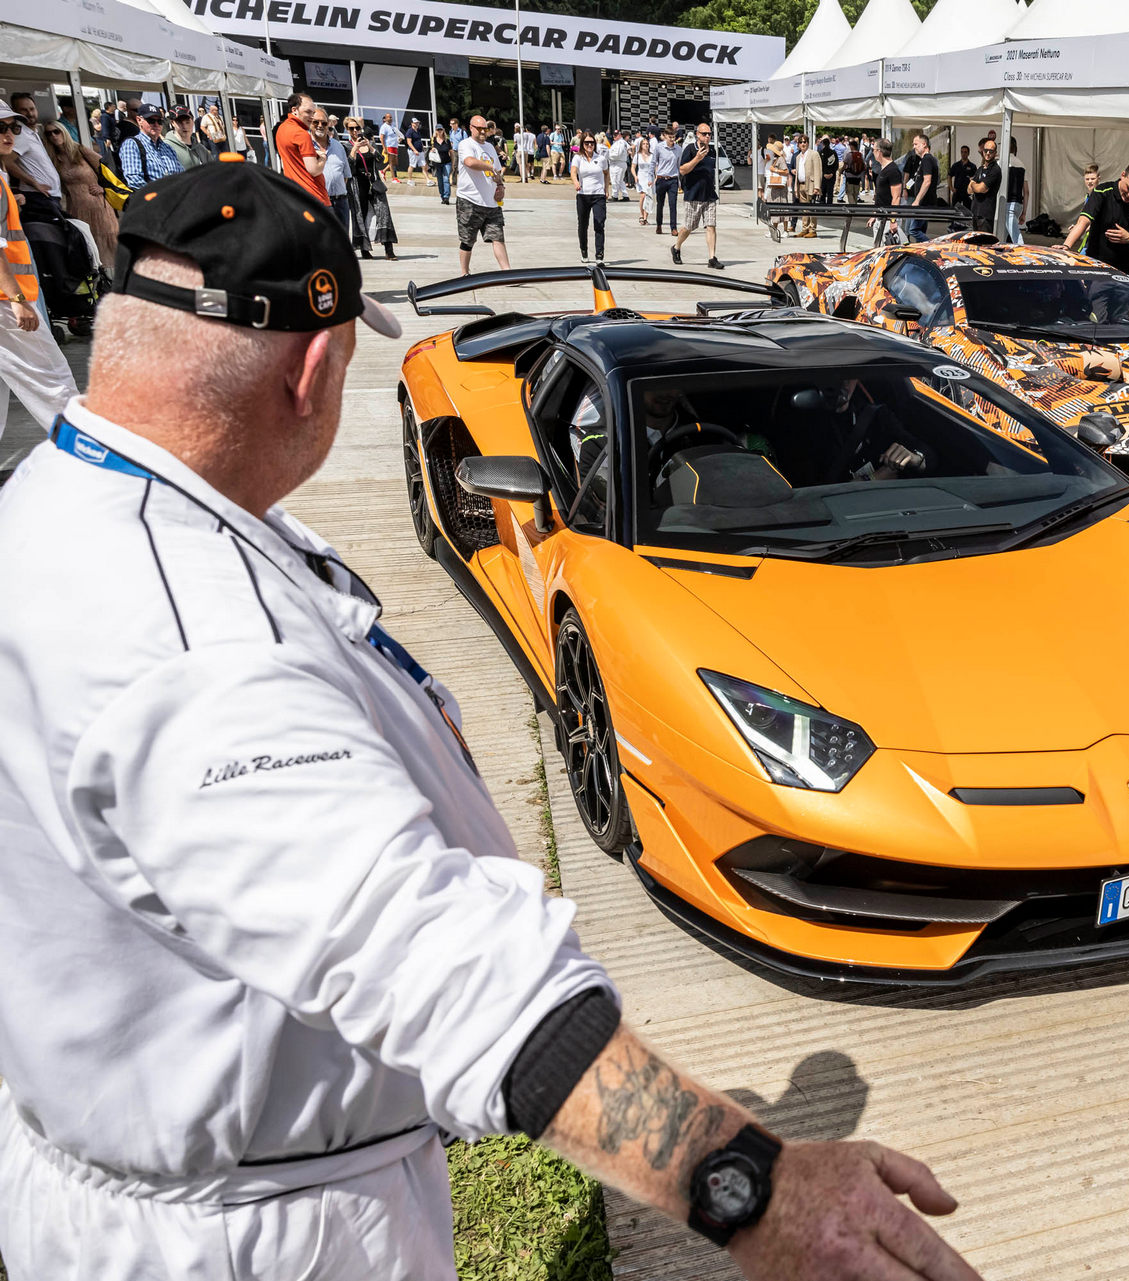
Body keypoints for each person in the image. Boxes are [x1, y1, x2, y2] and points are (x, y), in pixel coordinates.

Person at [0, 157, 982, 1281]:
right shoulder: (196, 647)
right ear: (311, 369)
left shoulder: (52, 507)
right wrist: (753, 1190)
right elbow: (432, 959)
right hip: (259, 1236)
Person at [0, 107, 79, 429]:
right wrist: (19, 302)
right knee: (53, 382)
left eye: (12, 129)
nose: (8, 135)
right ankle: (88, 455)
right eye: (0, 129)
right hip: (7, 304)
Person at [1063, 159, 1129, 279]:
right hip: (1096, 268)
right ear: (1123, 175)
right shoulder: (1102, 192)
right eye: (1128, 188)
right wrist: (1066, 247)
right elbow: (1083, 221)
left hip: (1125, 272)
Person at [40, 122, 117, 265]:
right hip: (76, 209)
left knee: (108, 247)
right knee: (87, 247)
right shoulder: (54, 159)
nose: (53, 136)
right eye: (49, 134)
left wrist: (104, 188)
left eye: (56, 131)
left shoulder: (79, 150)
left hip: (98, 206)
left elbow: (107, 167)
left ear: (64, 131)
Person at [455, 114, 509, 275]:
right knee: (467, 240)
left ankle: (507, 273)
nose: (483, 132)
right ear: (471, 128)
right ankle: (465, 273)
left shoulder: (490, 147)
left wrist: (500, 185)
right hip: (469, 200)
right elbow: (470, 162)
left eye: (485, 129)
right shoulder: (466, 144)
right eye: (479, 129)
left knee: (498, 237)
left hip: (491, 202)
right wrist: (488, 167)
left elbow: (497, 170)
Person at [673, 123, 722, 271]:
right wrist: (697, 159)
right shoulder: (690, 149)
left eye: (709, 134)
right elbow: (682, 170)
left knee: (711, 226)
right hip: (693, 195)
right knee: (688, 227)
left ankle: (712, 258)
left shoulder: (712, 150)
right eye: (704, 134)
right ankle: (676, 247)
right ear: (697, 134)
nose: (707, 136)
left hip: (709, 194)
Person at [347, 121, 398, 262]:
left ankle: (389, 250)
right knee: (361, 216)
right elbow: (348, 166)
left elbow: (381, 161)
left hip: (374, 183)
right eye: (352, 128)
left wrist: (369, 146)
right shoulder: (346, 146)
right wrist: (355, 148)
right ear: (348, 130)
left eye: (357, 127)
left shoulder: (370, 144)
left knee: (384, 214)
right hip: (358, 185)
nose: (355, 130)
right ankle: (364, 250)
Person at [7, 94, 64, 208]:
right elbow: (7, 161)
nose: (30, 114)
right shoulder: (20, 135)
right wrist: (34, 183)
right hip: (38, 196)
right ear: (15, 111)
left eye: (32, 109)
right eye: (24, 110)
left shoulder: (31, 132)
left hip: (47, 196)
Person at [274, 92, 328, 206]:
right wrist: (323, 158)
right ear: (294, 110)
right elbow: (314, 170)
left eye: (313, 112)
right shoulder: (301, 134)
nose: (312, 117)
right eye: (308, 112)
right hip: (314, 198)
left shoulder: (282, 129)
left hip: (296, 196)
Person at [119, 105, 182, 191]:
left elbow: (182, 176)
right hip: (152, 201)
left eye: (159, 121)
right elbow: (134, 180)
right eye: (151, 120)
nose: (156, 124)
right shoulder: (132, 144)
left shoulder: (168, 148)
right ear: (139, 120)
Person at [571, 133, 608, 264]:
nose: (590, 145)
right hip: (583, 195)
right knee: (583, 224)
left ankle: (599, 255)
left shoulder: (601, 159)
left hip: (598, 195)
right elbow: (573, 172)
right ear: (582, 145)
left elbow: (606, 173)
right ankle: (584, 251)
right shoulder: (578, 158)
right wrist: (576, 182)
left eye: (592, 142)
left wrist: (606, 190)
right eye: (586, 143)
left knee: (599, 223)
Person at [902, 132, 937, 243]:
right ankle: (923, 250)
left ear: (924, 144)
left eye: (916, 144)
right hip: (924, 201)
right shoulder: (924, 160)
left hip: (924, 202)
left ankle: (931, 246)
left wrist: (917, 200)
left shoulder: (927, 159)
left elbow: (927, 181)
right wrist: (906, 188)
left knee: (914, 230)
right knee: (920, 229)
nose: (914, 147)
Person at [868, 137, 901, 246]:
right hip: (880, 217)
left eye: (873, 150)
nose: (873, 152)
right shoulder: (883, 169)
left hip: (888, 220)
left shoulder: (893, 170)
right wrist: (874, 214)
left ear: (879, 152)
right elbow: (881, 195)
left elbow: (896, 197)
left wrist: (893, 220)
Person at [321, 117, 352, 230]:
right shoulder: (308, 146)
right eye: (316, 123)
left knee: (343, 240)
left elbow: (345, 175)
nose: (322, 127)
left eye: (329, 127)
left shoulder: (338, 146)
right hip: (322, 201)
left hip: (341, 201)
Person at [967, 136, 1001, 236]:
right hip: (975, 213)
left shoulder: (995, 169)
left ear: (995, 153)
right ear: (982, 151)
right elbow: (969, 190)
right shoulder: (980, 169)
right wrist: (975, 186)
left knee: (985, 246)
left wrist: (973, 183)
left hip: (986, 215)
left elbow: (981, 189)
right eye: (986, 150)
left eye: (991, 151)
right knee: (975, 245)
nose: (988, 153)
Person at [653, 128, 681, 235]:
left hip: (673, 179)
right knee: (660, 204)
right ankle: (659, 225)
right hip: (661, 178)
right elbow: (653, 162)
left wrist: (679, 182)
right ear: (665, 136)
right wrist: (653, 177)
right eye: (670, 137)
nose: (672, 139)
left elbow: (679, 166)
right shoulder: (659, 147)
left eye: (674, 137)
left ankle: (673, 228)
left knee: (673, 204)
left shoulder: (678, 149)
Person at [795, 135, 821, 239]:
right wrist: (796, 187)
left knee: (812, 208)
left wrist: (817, 187)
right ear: (798, 144)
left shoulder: (813, 154)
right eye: (800, 142)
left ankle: (812, 230)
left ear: (808, 143)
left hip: (811, 184)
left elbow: (818, 171)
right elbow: (797, 172)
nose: (803, 144)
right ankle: (804, 228)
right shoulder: (797, 157)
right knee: (804, 209)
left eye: (804, 142)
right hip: (801, 184)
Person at [1003, 138, 1026, 246]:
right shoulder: (1022, 164)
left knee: (1016, 237)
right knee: (1004, 235)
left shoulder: (1001, 163)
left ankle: (1024, 254)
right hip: (1018, 204)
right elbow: (1026, 191)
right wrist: (1024, 212)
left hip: (1007, 204)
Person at [428, 126, 455, 205]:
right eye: (438, 130)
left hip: (447, 162)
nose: (439, 131)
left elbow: (451, 153)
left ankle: (446, 197)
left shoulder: (447, 141)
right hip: (437, 164)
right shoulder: (433, 141)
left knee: (446, 179)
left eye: (441, 130)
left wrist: (453, 163)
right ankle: (442, 196)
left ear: (443, 130)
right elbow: (429, 153)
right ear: (436, 131)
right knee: (440, 181)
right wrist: (431, 150)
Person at [947, 145, 975, 213]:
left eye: (965, 152)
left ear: (968, 153)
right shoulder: (956, 165)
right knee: (955, 212)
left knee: (968, 212)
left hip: (967, 193)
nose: (963, 154)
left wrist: (973, 190)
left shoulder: (972, 166)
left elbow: (975, 179)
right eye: (962, 152)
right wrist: (951, 188)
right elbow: (949, 176)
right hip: (957, 192)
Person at [607, 130, 629, 203]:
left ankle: (615, 195)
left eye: (616, 135)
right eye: (614, 135)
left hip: (617, 163)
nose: (614, 136)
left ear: (619, 135)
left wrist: (608, 156)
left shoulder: (620, 143)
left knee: (615, 180)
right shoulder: (621, 142)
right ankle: (625, 195)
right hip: (618, 163)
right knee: (619, 180)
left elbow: (617, 154)